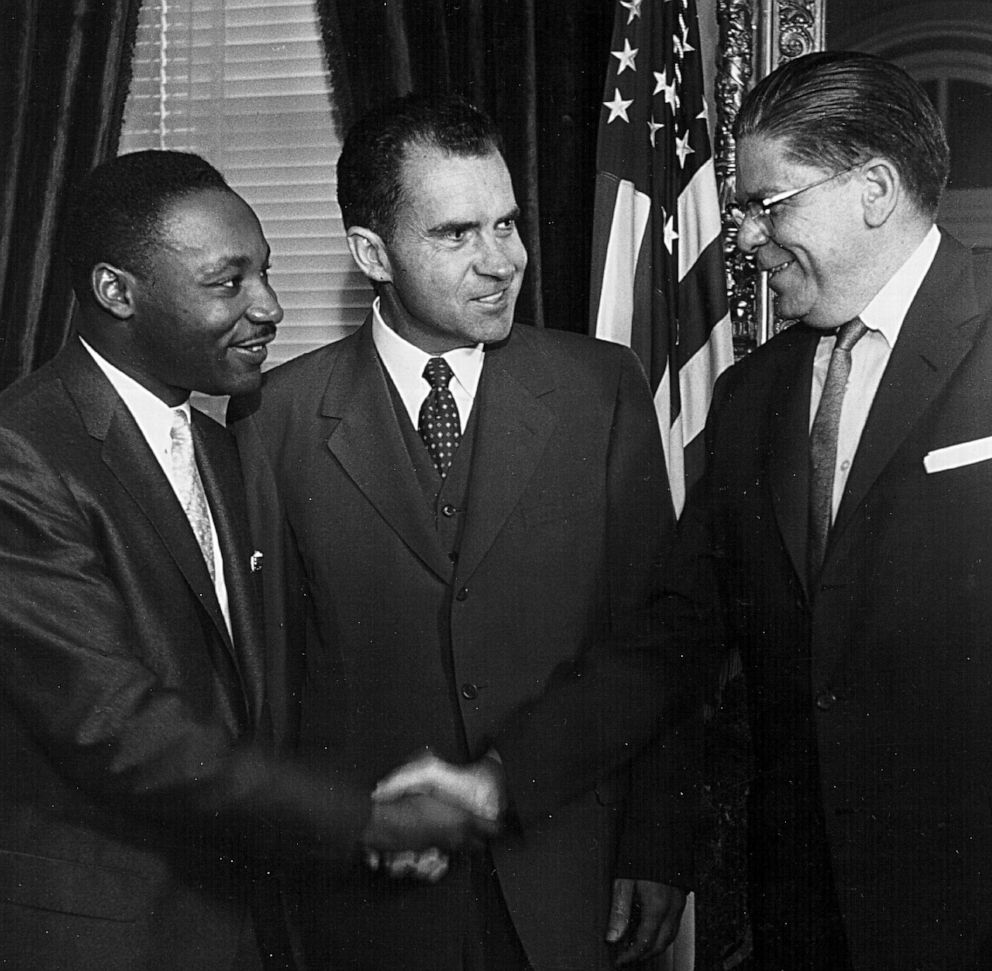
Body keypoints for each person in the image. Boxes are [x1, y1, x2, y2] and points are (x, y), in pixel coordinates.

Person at [230, 94, 700, 970]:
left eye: (508, 223)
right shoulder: (275, 420)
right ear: (372, 252)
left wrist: (655, 848)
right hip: (366, 902)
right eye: (456, 234)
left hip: (568, 881)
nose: (503, 262)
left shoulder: (601, 388)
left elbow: (656, 640)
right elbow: (271, 697)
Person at [0, 149, 488, 971]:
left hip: (244, 927)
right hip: (102, 937)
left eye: (264, 271)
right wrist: (362, 819)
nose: (269, 306)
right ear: (117, 291)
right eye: (228, 283)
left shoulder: (221, 446)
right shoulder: (22, 455)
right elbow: (116, 725)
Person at [661, 51, 992, 969]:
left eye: (767, 206)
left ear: (874, 188)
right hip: (801, 912)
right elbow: (673, 638)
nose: (742, 238)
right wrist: (506, 775)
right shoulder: (747, 398)